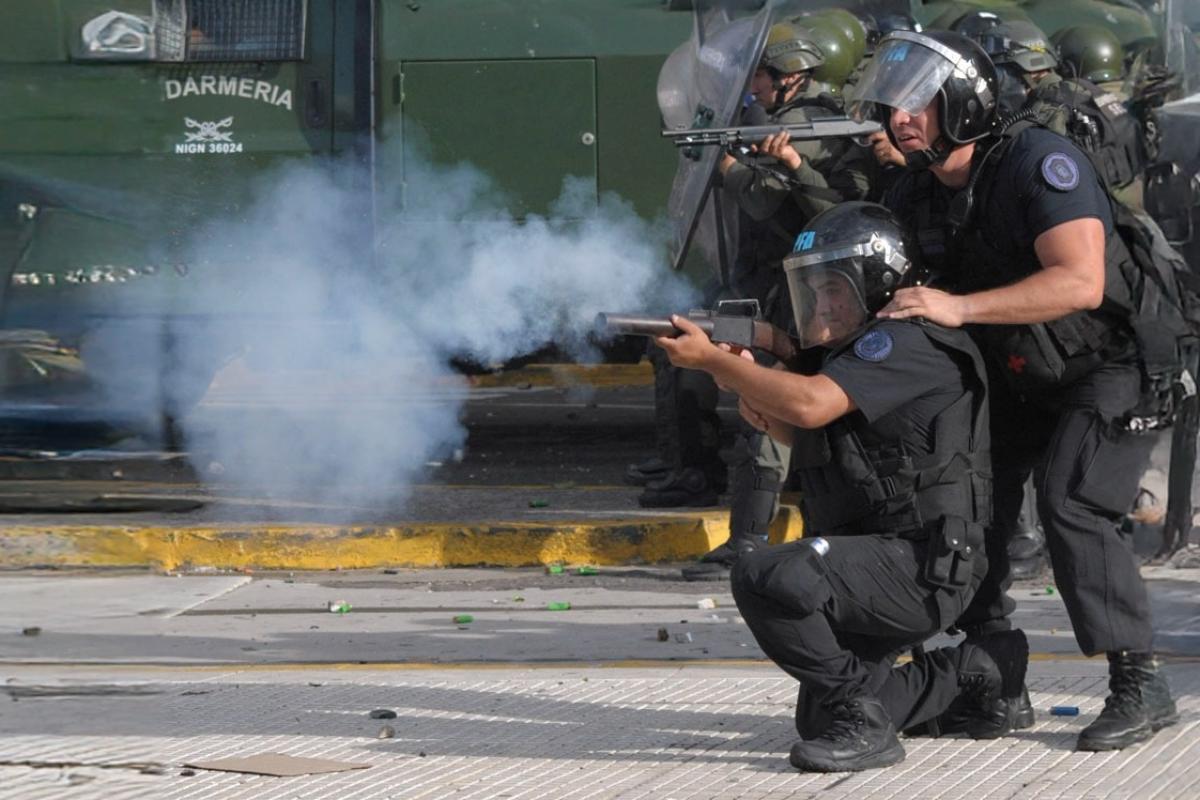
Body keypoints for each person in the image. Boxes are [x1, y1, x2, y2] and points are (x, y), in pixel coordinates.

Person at [848, 29, 1179, 751]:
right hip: (1020, 369)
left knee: (1071, 499)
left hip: (1112, 364)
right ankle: (993, 679)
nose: (899, 120)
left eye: (917, 105)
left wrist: (958, 308)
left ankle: (1138, 681)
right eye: (892, 106)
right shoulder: (913, 189)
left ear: (962, 104)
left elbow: (1080, 281)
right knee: (966, 504)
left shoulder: (1039, 161)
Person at [656, 201, 1026, 772]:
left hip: (922, 563)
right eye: (812, 292)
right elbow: (801, 427)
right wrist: (750, 382)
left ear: (875, 284)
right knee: (818, 720)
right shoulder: (852, 356)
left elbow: (809, 405)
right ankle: (979, 670)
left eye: (833, 291)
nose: (820, 307)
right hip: (883, 557)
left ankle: (866, 718)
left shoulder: (905, 343)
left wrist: (716, 364)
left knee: (764, 573)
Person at [684, 20, 874, 578]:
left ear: (791, 76)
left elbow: (773, 203)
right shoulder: (812, 121)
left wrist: (733, 170)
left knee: (769, 406)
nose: (755, 89)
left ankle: (748, 538)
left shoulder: (809, 126)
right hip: (805, 286)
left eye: (762, 77)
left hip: (808, 290)